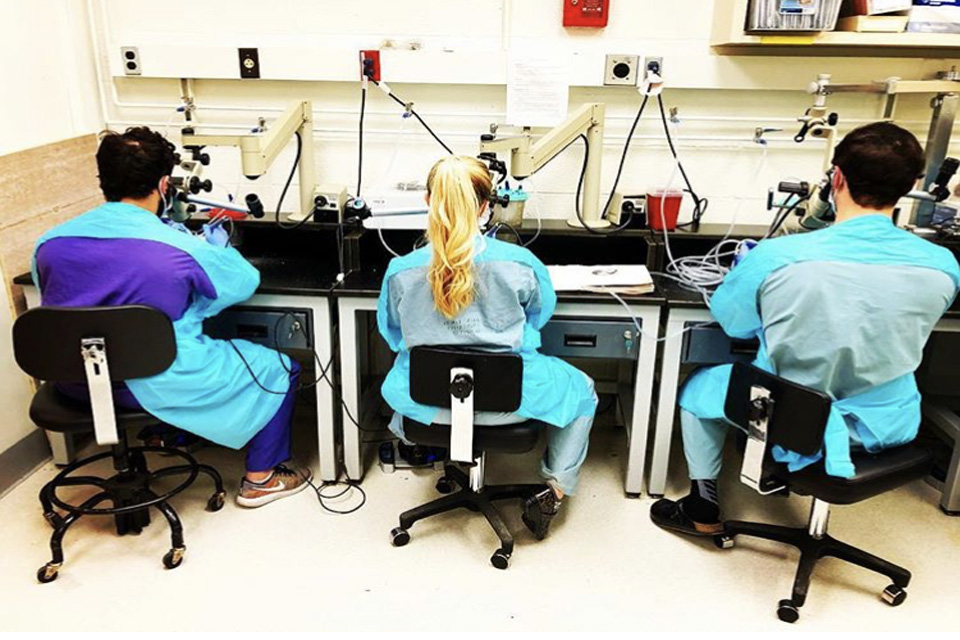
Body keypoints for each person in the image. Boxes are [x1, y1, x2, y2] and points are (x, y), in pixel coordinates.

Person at [651, 122, 960, 535]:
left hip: (792, 419)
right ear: (910, 185)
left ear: (837, 178)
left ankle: (701, 509)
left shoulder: (778, 256)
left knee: (698, 388)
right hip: (889, 422)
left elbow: (734, 322)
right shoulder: (942, 265)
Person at [32, 127, 311, 508]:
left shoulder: (49, 243)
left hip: (76, 381)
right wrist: (219, 250)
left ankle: (163, 435)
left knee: (155, 350)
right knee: (280, 368)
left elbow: (51, 300)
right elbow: (243, 283)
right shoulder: (177, 247)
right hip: (158, 381)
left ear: (103, 180)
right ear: (165, 184)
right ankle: (261, 479)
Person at [377, 155, 598, 538]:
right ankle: (554, 490)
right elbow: (538, 317)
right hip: (508, 403)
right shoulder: (519, 262)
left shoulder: (401, 270)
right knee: (584, 391)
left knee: (400, 377)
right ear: (484, 206)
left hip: (429, 405)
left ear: (429, 201)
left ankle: (422, 448)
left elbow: (393, 334)